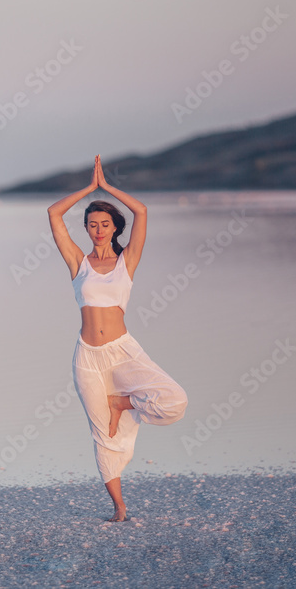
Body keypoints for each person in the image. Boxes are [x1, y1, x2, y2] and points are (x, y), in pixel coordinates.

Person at [47, 155, 188, 522]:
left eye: (104, 224)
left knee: (174, 401)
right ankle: (119, 507)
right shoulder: (79, 263)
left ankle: (122, 403)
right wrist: (86, 189)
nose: (97, 230)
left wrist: (106, 187)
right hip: (88, 357)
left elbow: (141, 211)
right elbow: (52, 213)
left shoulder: (127, 262)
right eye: (91, 224)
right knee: (101, 435)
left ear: (114, 228)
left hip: (123, 352)